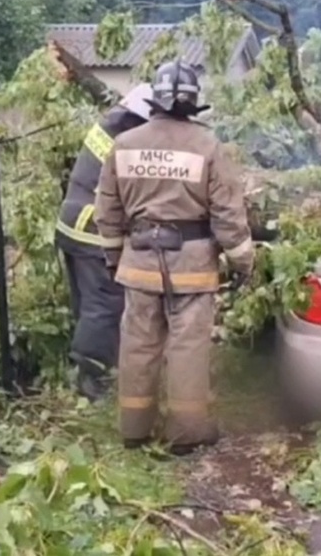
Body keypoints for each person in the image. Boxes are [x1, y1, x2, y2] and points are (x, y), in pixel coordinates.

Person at [93, 60, 255, 456]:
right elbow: (228, 216)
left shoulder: (125, 144)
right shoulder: (208, 147)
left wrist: (115, 258)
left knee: (138, 345)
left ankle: (134, 429)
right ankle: (186, 433)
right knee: (187, 347)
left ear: (156, 100)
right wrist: (242, 263)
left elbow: (107, 211)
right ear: (193, 103)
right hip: (193, 267)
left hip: (140, 262)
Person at [55, 83, 154, 402]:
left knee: (87, 305)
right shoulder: (128, 139)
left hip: (71, 221)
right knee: (106, 304)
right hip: (91, 228)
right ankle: (92, 383)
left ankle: (86, 371)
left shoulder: (111, 125)